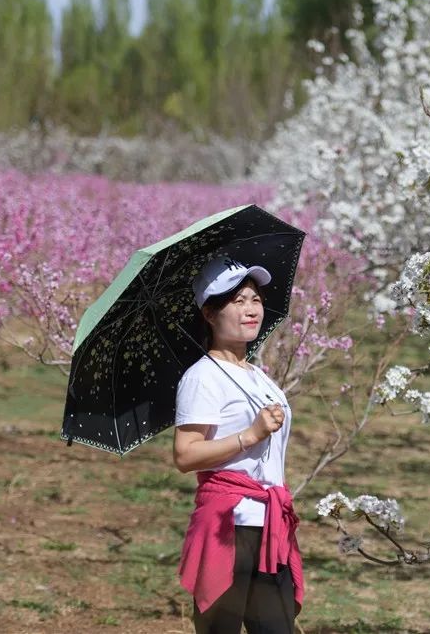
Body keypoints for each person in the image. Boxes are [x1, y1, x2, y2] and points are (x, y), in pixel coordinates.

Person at [173, 253, 304, 634]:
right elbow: (185, 454)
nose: (250, 309)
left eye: (255, 300)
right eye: (237, 301)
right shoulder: (202, 377)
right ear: (210, 314)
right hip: (229, 527)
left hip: (269, 525)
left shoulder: (258, 376)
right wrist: (250, 434)